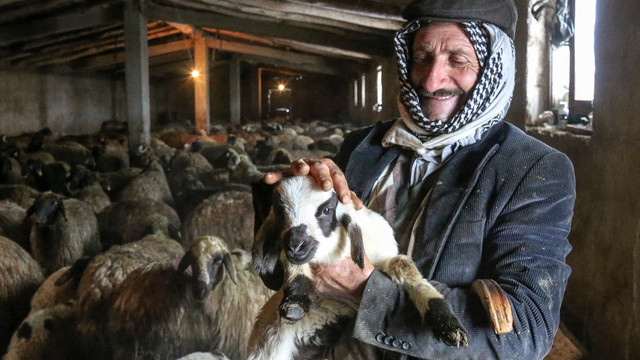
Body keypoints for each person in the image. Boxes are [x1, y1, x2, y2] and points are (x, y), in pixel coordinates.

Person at [260, 0, 576, 358]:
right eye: (422, 57)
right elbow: (276, 278)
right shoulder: (362, 147)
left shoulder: (532, 168)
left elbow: (526, 332)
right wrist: (288, 200)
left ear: (494, 66)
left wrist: (362, 289)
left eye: (457, 60)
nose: (431, 79)